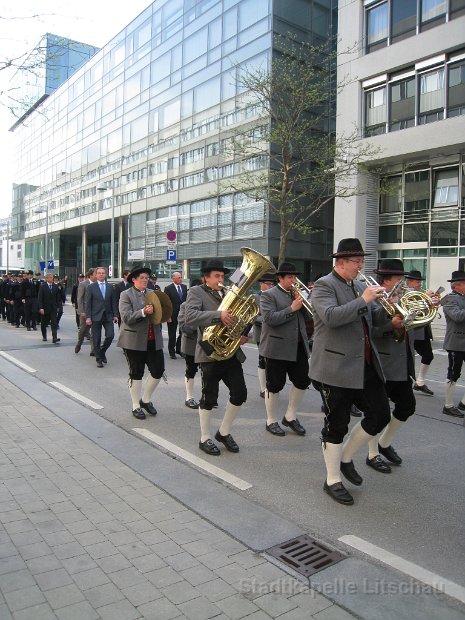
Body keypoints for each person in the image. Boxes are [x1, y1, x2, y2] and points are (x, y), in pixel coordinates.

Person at [309, 238, 391, 505]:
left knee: (380, 415)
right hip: (335, 367)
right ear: (341, 263)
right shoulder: (324, 285)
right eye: (357, 262)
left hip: (364, 364)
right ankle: (332, 479)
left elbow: (371, 319)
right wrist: (364, 300)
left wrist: (394, 315)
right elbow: (331, 317)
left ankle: (345, 457)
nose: (361, 266)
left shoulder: (357, 285)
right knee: (336, 424)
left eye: (361, 261)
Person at [184, 259, 248, 456]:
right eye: (217, 276)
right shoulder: (196, 292)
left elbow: (238, 316)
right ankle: (204, 437)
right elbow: (190, 316)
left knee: (240, 394)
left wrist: (242, 333)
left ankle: (224, 432)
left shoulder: (230, 292)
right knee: (209, 397)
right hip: (209, 351)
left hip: (231, 351)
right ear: (206, 278)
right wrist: (218, 315)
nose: (221, 279)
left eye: (222, 276)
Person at [367, 259, 417, 470]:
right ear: (386, 281)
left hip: (403, 362)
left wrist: (424, 308)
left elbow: (414, 324)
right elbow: (370, 332)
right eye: (398, 280)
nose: (402, 284)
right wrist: (391, 325)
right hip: (383, 363)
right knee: (377, 412)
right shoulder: (373, 300)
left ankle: (384, 443)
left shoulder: (403, 298)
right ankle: (372, 454)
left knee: (407, 406)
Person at [259, 263, 310, 437]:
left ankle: (290, 415)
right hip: (277, 346)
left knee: (303, 381)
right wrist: (292, 309)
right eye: (290, 277)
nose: (294, 280)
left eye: (295, 277)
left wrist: (304, 302)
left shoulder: (297, 294)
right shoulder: (268, 295)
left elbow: (311, 316)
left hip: (298, 345)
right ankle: (271, 420)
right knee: (274, 385)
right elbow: (269, 319)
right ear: (280, 278)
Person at [117, 266, 165, 419]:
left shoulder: (153, 293)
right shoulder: (126, 294)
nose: (145, 280)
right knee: (136, 373)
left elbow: (161, 312)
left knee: (158, 371)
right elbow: (126, 318)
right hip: (134, 340)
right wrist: (144, 312)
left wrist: (165, 314)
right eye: (142, 278)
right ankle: (135, 405)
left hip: (153, 339)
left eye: (146, 277)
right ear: (134, 280)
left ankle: (145, 400)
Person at [404, 270, 435, 396]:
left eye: (420, 282)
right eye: (417, 282)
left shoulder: (419, 294)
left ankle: (420, 382)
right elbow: (413, 311)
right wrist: (426, 300)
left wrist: (432, 303)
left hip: (423, 329)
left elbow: (425, 312)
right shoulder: (406, 294)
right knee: (407, 359)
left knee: (428, 355)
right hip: (413, 331)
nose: (419, 284)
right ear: (409, 282)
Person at [441, 270, 465, 418]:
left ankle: (463, 402)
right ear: (456, 286)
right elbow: (457, 317)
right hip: (456, 342)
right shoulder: (449, 299)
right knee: (454, 373)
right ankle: (448, 405)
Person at [85, 266, 118, 368]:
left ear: (106, 274)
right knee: (96, 338)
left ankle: (102, 351)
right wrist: (88, 317)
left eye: (103, 273)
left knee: (110, 335)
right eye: (99, 273)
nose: (101, 274)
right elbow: (88, 303)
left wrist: (115, 315)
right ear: (95, 275)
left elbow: (113, 302)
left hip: (108, 316)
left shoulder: (110, 287)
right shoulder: (91, 287)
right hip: (95, 316)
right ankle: (99, 359)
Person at [252, 273, 275, 398]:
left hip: (275, 333)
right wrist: (269, 319)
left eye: (272, 284)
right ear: (261, 284)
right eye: (268, 284)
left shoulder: (276, 296)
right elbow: (254, 317)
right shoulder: (256, 297)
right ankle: (263, 388)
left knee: (272, 361)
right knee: (262, 360)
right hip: (261, 333)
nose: (271, 286)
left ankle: (271, 385)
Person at [164, 272, 188, 359]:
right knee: (172, 334)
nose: (180, 279)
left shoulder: (184, 287)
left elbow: (186, 301)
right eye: (179, 278)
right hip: (172, 314)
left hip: (182, 315)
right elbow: (166, 303)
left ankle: (179, 349)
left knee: (182, 333)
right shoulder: (168, 288)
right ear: (173, 279)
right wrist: (168, 316)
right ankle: (172, 351)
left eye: (181, 277)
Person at [75, 269, 97, 355]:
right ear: (91, 275)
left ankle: (93, 350)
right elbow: (79, 299)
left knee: (94, 332)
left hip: (95, 312)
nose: (97, 275)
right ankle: (79, 343)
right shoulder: (83, 284)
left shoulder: (98, 284)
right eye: (96, 274)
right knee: (83, 330)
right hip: (85, 312)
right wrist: (81, 311)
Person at [37, 273, 61, 343]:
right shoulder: (42, 286)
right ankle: (44, 336)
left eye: (52, 277)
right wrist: (41, 308)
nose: (52, 278)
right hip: (45, 308)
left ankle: (54, 337)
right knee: (44, 323)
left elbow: (57, 297)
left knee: (54, 323)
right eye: (50, 277)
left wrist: (58, 307)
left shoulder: (55, 286)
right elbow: (40, 298)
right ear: (46, 278)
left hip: (53, 308)